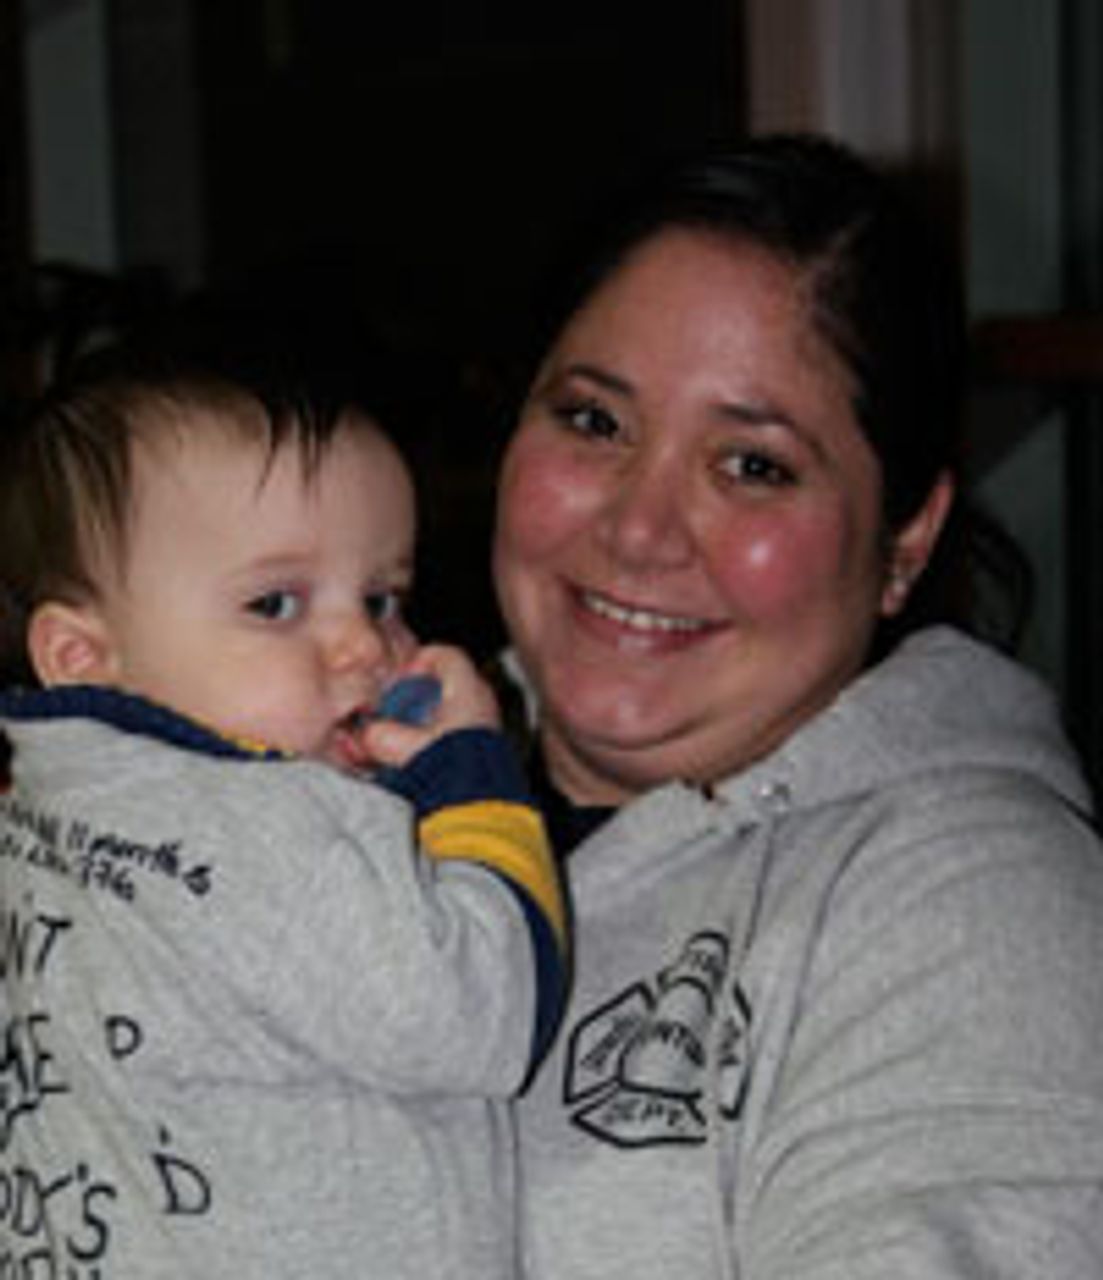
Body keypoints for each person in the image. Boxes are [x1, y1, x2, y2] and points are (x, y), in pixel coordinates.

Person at [491, 132, 1103, 1278]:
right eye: (593, 421)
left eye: (752, 465)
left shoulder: (969, 907)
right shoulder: (336, 798)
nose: (637, 527)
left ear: (904, 538)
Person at [0, 341, 566, 1278]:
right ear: (82, 657)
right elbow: (485, 1015)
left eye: (382, 598)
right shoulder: (266, 826)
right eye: (274, 604)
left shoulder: (36, 824)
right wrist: (470, 784)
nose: (363, 646)